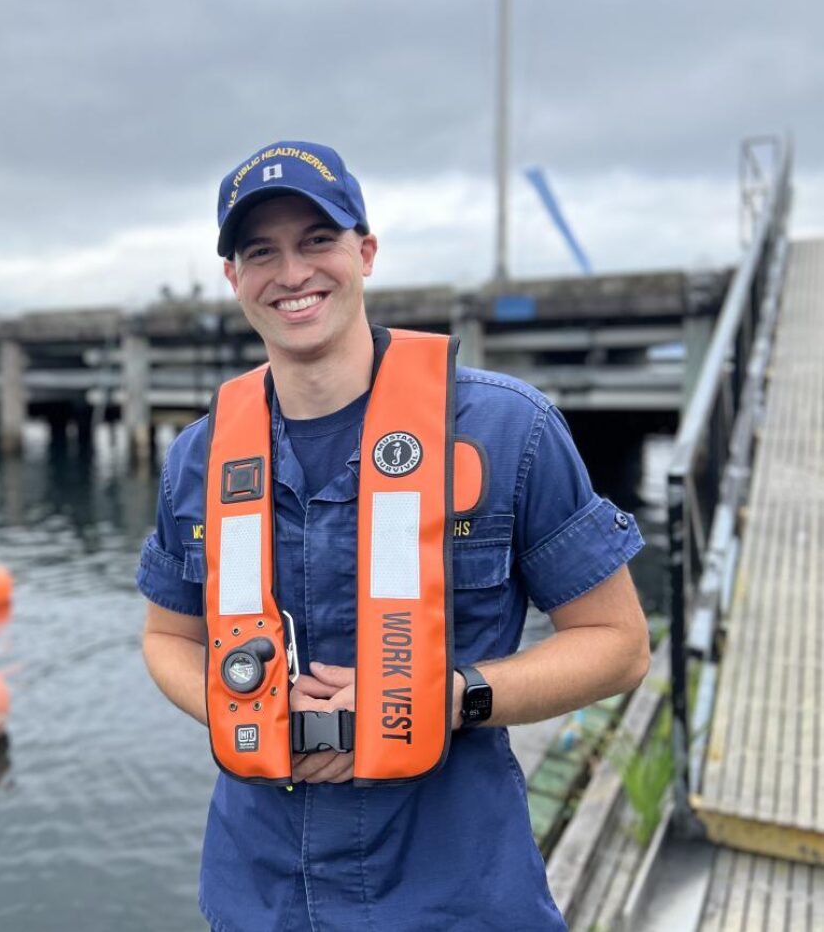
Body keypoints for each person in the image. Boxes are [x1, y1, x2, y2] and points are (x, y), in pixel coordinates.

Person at [136, 140, 650, 931]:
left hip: (457, 894)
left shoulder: (507, 430)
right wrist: (238, 706)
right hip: (261, 894)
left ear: (365, 251)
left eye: (318, 240)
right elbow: (168, 637)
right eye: (260, 251)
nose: (293, 272)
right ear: (234, 278)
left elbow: (619, 643)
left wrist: (452, 696)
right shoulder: (198, 458)